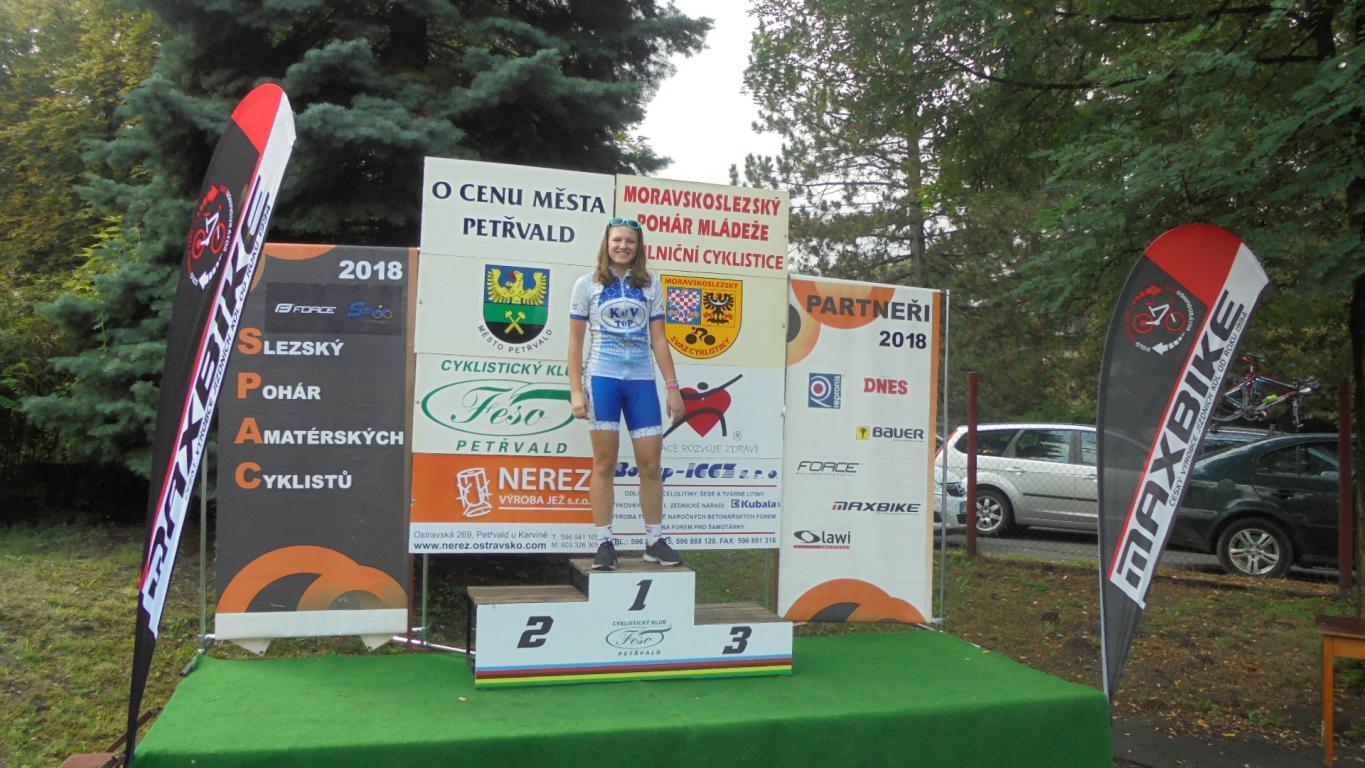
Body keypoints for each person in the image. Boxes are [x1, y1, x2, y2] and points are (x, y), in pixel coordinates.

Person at [567, 217, 686, 570]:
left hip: (641, 381)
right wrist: (576, 390)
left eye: (630, 241)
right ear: (607, 244)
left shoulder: (651, 285)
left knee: (650, 464)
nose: (623, 246)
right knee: (604, 463)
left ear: (638, 247)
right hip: (602, 377)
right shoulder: (586, 285)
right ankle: (604, 542)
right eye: (617, 240)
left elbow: (659, 339)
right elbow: (575, 341)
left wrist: (673, 387)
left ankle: (654, 540)